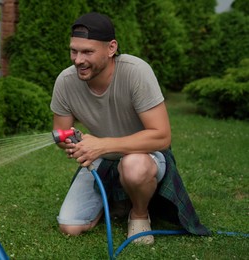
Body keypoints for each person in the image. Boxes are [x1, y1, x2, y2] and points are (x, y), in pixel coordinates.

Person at [50, 12, 210, 244]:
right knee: (69, 226)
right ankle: (115, 201)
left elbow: (162, 137)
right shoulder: (65, 82)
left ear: (111, 48)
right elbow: (61, 132)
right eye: (74, 50)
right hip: (101, 159)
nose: (78, 60)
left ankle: (139, 213)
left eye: (87, 52)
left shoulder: (136, 72)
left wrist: (103, 145)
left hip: (145, 157)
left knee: (133, 165)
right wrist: (73, 143)